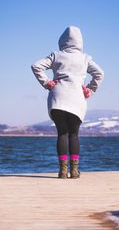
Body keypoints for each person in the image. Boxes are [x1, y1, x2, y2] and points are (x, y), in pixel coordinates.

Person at [31, 26, 104, 179]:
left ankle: (63, 171)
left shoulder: (56, 56)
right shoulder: (85, 58)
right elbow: (99, 73)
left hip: (58, 98)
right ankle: (75, 171)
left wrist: (46, 83)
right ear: (80, 42)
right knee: (74, 135)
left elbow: (36, 66)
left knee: (62, 134)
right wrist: (90, 89)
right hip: (76, 99)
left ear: (62, 41)